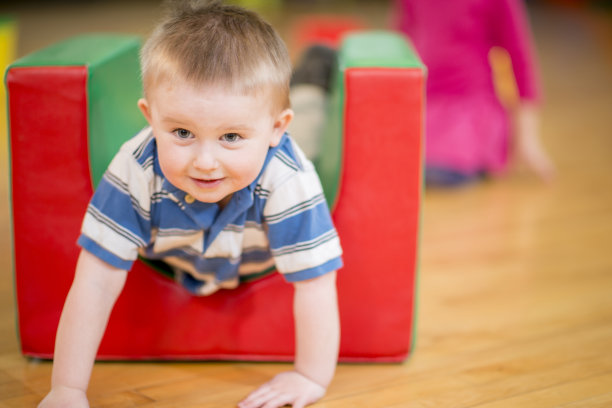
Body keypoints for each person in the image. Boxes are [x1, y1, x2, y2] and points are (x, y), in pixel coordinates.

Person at [38, 1, 343, 407]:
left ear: (274, 130)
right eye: (182, 131)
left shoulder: (288, 176)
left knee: (311, 122)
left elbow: (316, 282)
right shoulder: (137, 168)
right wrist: (66, 389)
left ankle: (313, 73)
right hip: (183, 257)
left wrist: (310, 375)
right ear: (150, 117)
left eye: (230, 137)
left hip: (274, 181)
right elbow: (94, 279)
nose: (204, 161)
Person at [394, 0, 556, 186]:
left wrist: (527, 139)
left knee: (433, 172)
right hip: (425, 107)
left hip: (470, 111)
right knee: (392, 164)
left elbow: (520, 60)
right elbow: (402, 44)